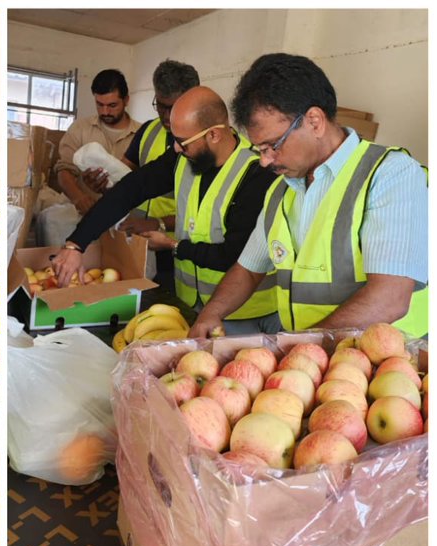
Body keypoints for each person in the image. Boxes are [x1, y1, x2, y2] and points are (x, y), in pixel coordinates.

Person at [189, 54, 428, 338]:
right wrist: (211, 314)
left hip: (391, 364)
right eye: (259, 150)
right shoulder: (281, 190)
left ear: (314, 121)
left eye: (272, 146)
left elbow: (390, 298)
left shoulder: (389, 175)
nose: (265, 161)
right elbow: (248, 269)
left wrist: (301, 346)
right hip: (317, 361)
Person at [52, 88, 280, 335]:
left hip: (243, 314)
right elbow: (131, 189)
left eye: (183, 142)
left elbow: (232, 255)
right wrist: (76, 244)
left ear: (214, 135)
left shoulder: (256, 174)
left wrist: (173, 245)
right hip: (191, 305)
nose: (176, 148)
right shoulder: (183, 158)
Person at [54, 69, 141, 216]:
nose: (105, 111)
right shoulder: (80, 128)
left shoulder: (142, 134)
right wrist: (79, 198)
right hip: (81, 213)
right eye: (99, 104)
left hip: (124, 215)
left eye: (112, 105)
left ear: (126, 100)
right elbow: (64, 170)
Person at [123, 60, 200, 222]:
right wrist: (104, 182)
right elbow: (123, 175)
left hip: (180, 242)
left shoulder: (207, 142)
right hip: (141, 240)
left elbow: (208, 210)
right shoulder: (148, 131)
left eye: (173, 108)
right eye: (160, 105)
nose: (166, 115)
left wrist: (159, 224)